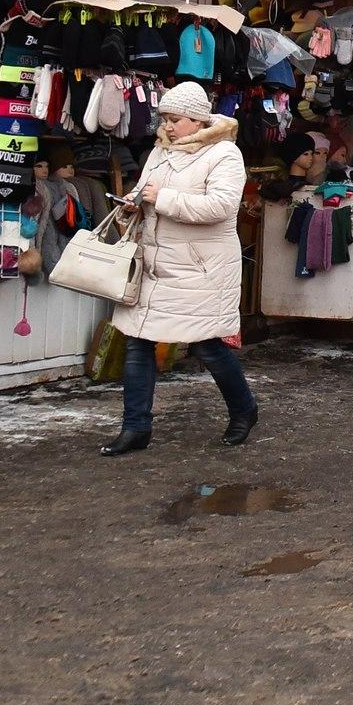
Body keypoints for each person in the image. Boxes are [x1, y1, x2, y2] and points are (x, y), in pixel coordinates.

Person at [100, 82, 258, 456]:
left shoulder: (224, 155)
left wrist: (163, 198)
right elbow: (146, 192)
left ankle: (244, 409)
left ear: (198, 119)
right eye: (165, 119)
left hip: (200, 268)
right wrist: (133, 203)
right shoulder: (160, 151)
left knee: (207, 346)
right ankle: (135, 427)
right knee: (138, 341)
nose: (167, 127)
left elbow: (220, 207)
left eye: (175, 120)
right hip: (155, 262)